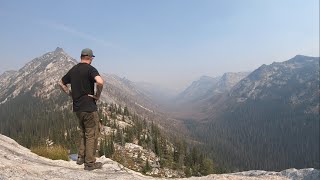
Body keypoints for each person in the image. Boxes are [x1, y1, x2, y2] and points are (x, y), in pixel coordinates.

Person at [58, 48, 104, 171]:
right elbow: (100, 82)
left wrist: (70, 94)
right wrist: (97, 96)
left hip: (78, 108)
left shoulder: (74, 69)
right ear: (90, 57)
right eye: (92, 58)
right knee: (91, 134)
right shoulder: (90, 69)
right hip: (89, 107)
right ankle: (89, 163)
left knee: (83, 132)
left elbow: (60, 82)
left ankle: (80, 158)